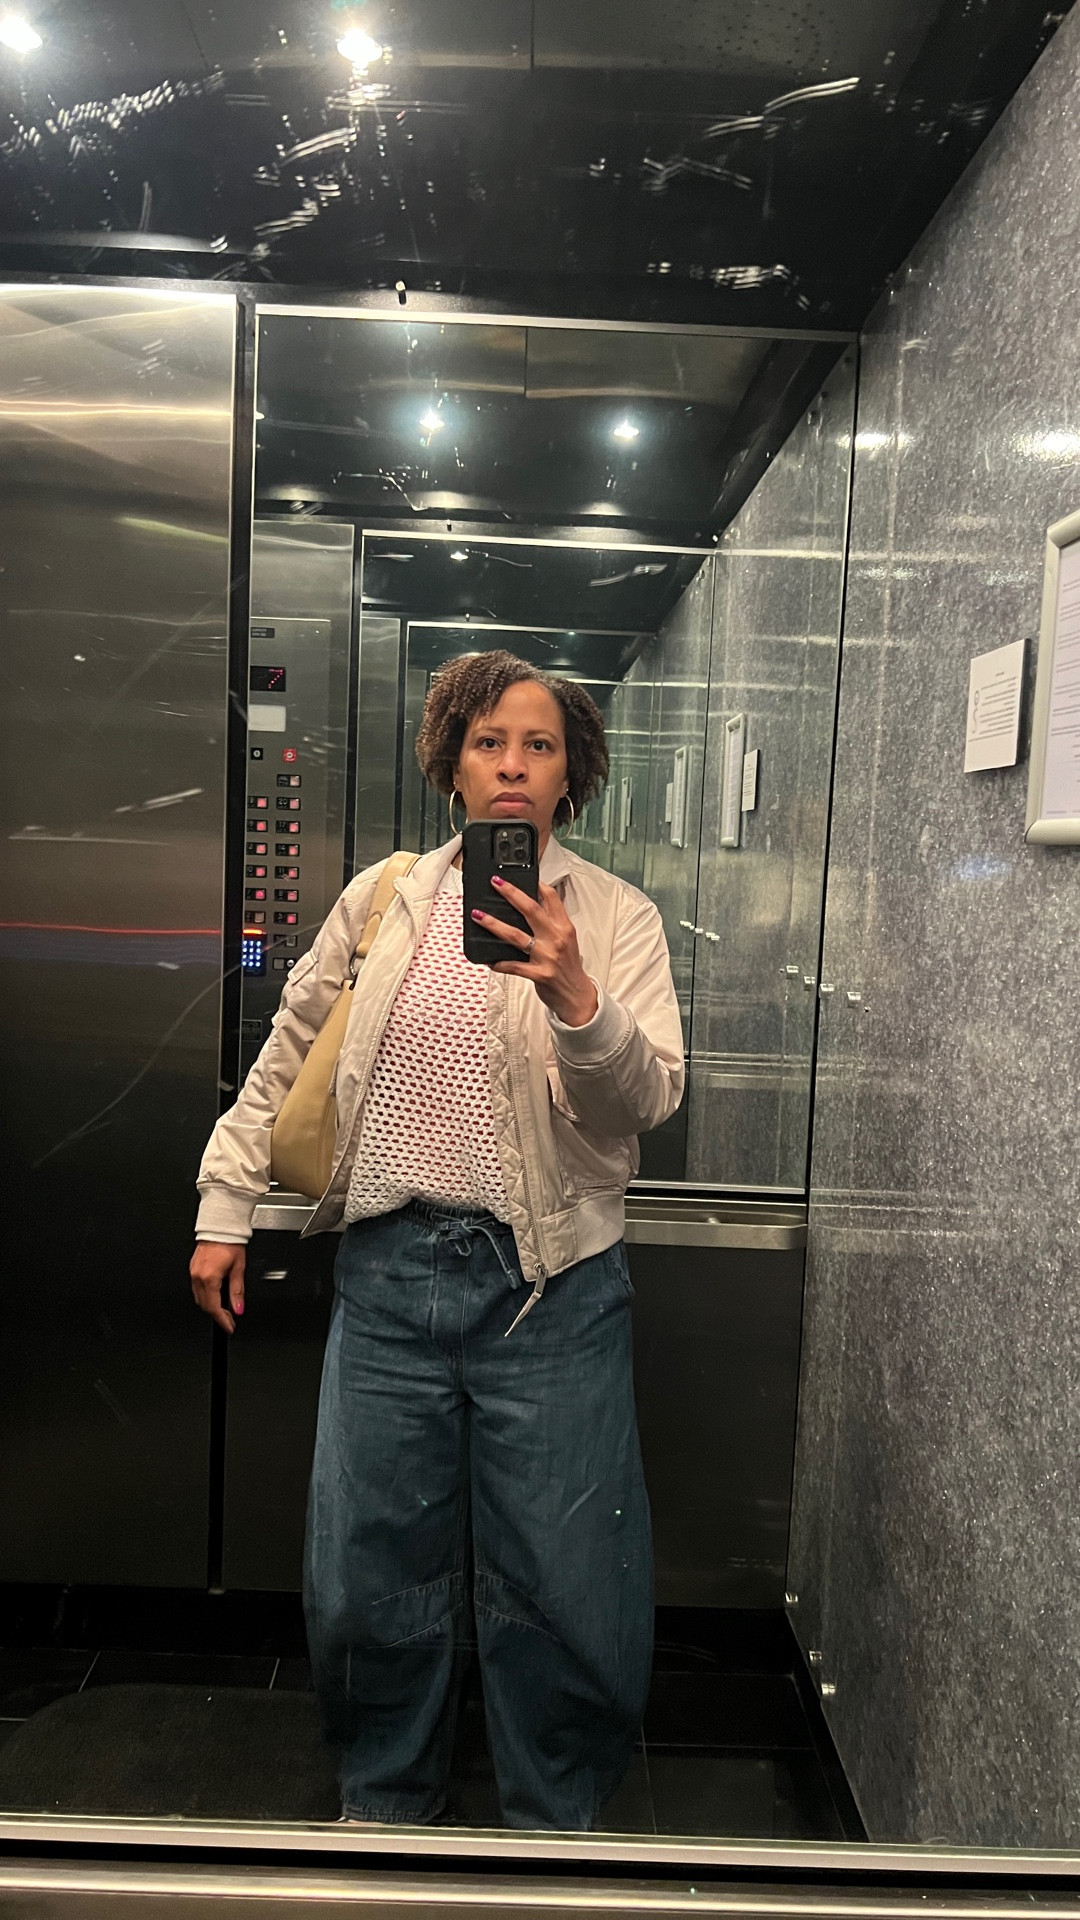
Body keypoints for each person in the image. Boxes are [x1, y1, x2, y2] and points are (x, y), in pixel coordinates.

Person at [190, 649, 684, 1831]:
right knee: (369, 1567)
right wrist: (223, 1204)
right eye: (487, 742)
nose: (512, 765)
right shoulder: (384, 900)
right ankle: (383, 1798)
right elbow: (288, 1055)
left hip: (553, 1290)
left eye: (539, 746)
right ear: (452, 765)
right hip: (389, 1280)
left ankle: (554, 1818)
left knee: (566, 1574)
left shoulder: (617, 919)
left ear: (570, 777)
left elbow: (647, 1102)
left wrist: (577, 1000)